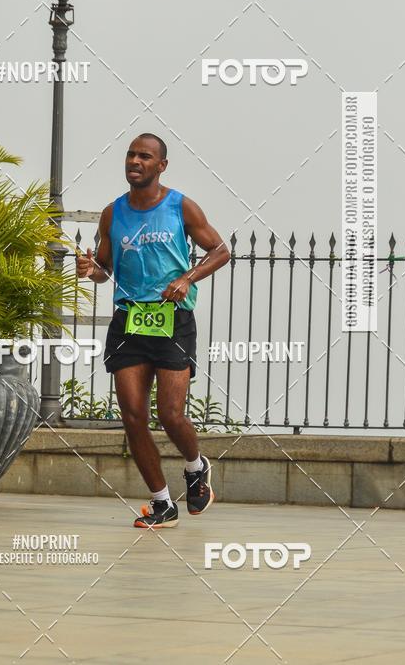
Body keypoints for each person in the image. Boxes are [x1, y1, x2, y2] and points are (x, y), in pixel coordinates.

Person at [76, 133, 230, 528]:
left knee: (171, 414)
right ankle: (161, 502)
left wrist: (187, 278)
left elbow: (221, 250)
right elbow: (104, 269)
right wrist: (90, 270)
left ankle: (196, 468)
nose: (135, 161)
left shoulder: (181, 206)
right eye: (131, 154)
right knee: (132, 415)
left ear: (161, 166)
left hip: (172, 319)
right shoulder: (113, 213)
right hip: (129, 320)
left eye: (145, 156)